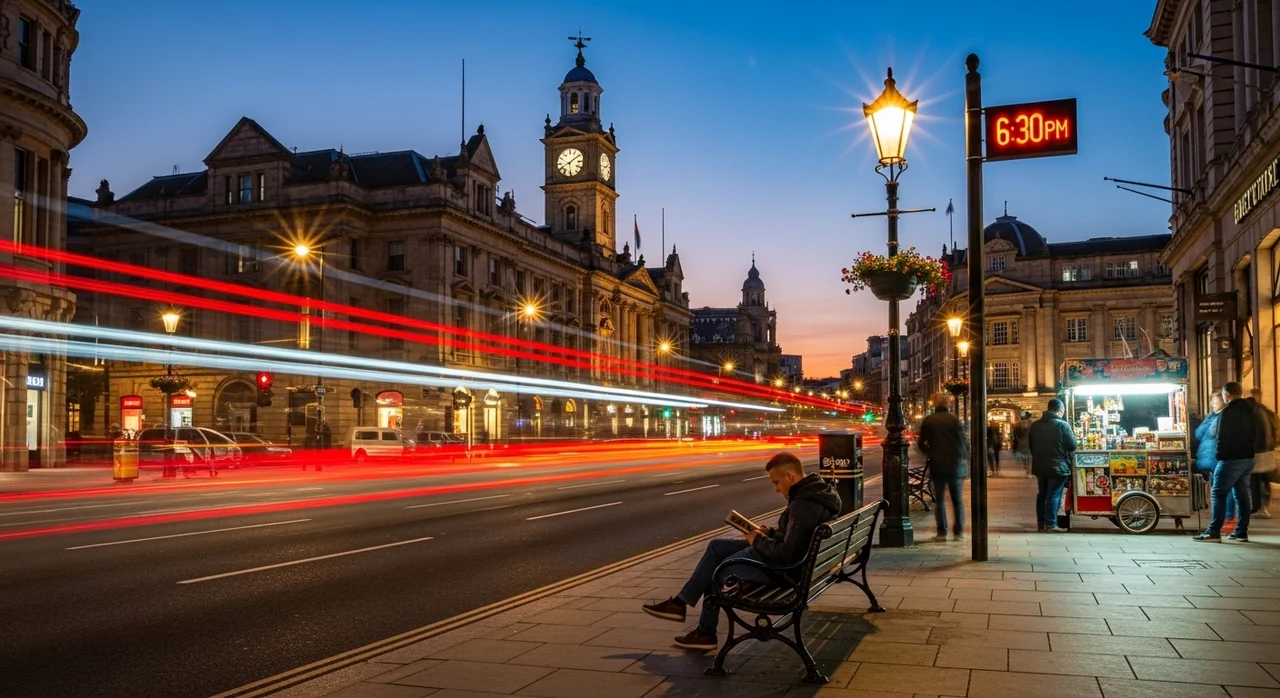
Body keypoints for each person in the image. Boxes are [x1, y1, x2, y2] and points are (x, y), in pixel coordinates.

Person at [641, 452, 840, 651]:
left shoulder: (803, 505)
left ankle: (704, 634)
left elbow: (788, 554)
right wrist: (770, 532)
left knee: (716, 571)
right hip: (799, 564)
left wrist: (758, 540)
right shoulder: (815, 492)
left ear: (790, 476)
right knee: (716, 547)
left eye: (776, 482)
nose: (777, 489)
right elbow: (798, 537)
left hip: (785, 572)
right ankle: (680, 603)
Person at [1195, 382, 1259, 542]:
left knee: (1218, 492)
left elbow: (1223, 437)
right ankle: (1241, 531)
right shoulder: (1251, 409)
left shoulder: (1228, 412)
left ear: (1227, 394)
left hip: (1230, 458)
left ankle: (1214, 531)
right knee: (1241, 493)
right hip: (1247, 457)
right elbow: (1256, 433)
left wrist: (1219, 456)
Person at [917, 394, 968, 542]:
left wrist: (930, 452)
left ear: (935, 406)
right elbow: (964, 443)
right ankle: (958, 531)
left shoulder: (929, 421)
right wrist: (964, 460)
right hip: (955, 465)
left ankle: (942, 531)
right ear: (947, 406)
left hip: (937, 464)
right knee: (957, 500)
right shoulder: (955, 420)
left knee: (939, 500)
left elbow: (921, 443)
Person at [1028, 398, 1077, 533]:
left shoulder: (1035, 425)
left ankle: (1041, 523)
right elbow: (1072, 445)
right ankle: (1051, 523)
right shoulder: (1062, 425)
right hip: (1058, 466)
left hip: (1040, 466)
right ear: (1059, 411)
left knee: (1042, 494)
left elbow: (1031, 445)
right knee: (1054, 495)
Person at [1247, 389, 1277, 519]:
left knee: (1255, 479)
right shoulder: (1267, 411)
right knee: (1264, 478)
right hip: (1267, 450)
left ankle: (1258, 506)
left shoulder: (1254, 412)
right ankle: (1262, 505)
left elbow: (1255, 433)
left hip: (1258, 451)